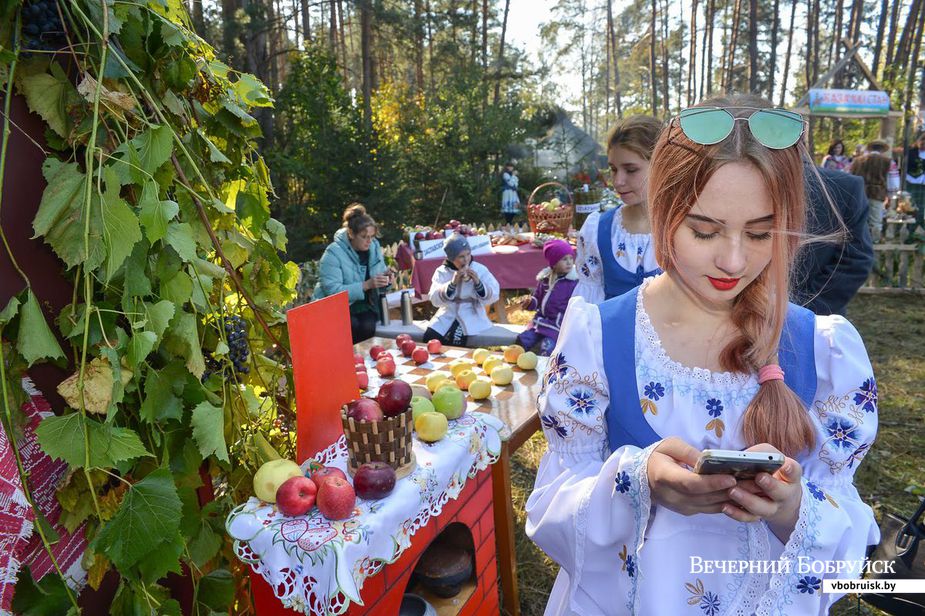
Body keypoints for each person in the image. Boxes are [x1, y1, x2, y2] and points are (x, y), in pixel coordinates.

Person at [526, 96, 879, 615]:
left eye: (761, 233)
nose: (734, 260)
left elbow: (848, 536)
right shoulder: (597, 337)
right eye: (705, 230)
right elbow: (551, 509)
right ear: (664, 211)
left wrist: (793, 512)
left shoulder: (824, 351)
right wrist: (638, 481)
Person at [573, 115, 662, 304]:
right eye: (613, 169)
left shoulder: (683, 228)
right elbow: (590, 305)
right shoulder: (599, 230)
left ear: (660, 166)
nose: (618, 181)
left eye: (631, 170)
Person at [792, 161, 873, 316]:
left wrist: (800, 311)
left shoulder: (844, 188)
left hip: (814, 321)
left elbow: (856, 260)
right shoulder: (735, 180)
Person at [313, 204, 392, 343]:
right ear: (351, 234)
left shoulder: (374, 247)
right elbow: (332, 291)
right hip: (334, 309)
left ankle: (362, 362)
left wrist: (386, 280)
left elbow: (377, 279)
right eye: (364, 236)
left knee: (368, 326)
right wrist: (365, 285)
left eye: (372, 236)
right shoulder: (333, 253)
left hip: (365, 306)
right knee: (350, 326)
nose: (369, 241)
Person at [424, 234, 500, 347]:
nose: (466, 259)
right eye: (461, 256)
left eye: (468, 254)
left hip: (471, 313)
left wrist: (478, 284)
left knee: (455, 341)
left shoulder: (479, 269)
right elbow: (434, 299)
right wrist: (452, 284)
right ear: (451, 258)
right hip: (447, 313)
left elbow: (494, 294)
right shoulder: (442, 272)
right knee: (429, 338)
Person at [516, 239, 578, 356]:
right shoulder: (545, 280)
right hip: (540, 321)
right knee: (523, 340)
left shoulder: (572, 283)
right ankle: (519, 359)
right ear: (554, 263)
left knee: (547, 347)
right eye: (564, 259)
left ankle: (545, 369)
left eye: (571, 258)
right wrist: (530, 303)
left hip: (557, 325)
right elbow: (537, 299)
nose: (569, 262)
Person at [850, 153, 890, 242]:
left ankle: (858, 241)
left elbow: (851, 176)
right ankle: (875, 242)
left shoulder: (858, 160)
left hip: (860, 191)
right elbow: (892, 179)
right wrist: (890, 194)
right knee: (875, 220)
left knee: (859, 217)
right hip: (877, 192)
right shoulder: (887, 161)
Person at [904, 132, 925, 236]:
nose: (923, 144)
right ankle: (909, 230)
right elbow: (904, 167)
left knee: (922, 208)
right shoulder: (911, 152)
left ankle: (919, 232)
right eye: (922, 141)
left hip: (924, 184)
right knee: (910, 207)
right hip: (911, 182)